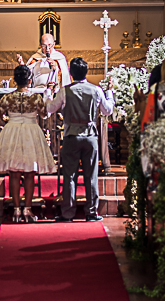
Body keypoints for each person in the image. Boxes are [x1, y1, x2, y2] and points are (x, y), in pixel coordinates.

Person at [45, 57, 115, 222]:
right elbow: (107, 110)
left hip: (71, 136)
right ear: (86, 72)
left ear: (71, 73)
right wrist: (110, 93)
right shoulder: (96, 90)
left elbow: (50, 108)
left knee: (70, 175)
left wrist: (48, 93)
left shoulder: (65, 91)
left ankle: (68, 212)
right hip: (90, 135)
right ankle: (91, 212)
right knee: (91, 175)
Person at [0, 65, 56, 223]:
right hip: (30, 132)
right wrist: (48, 95)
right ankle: (27, 209)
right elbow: (45, 114)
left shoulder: (7, 98)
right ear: (30, 80)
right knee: (30, 173)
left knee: (14, 172)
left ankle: (17, 211)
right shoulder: (34, 97)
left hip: (12, 131)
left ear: (14, 80)